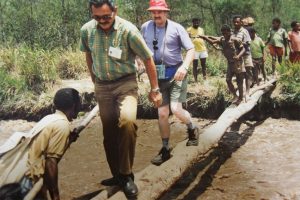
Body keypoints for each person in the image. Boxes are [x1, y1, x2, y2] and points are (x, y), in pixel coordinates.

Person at [80, 0, 162, 197]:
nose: (102, 21)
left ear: (115, 11)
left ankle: (126, 175)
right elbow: (88, 54)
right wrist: (94, 79)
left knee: (127, 122)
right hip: (102, 86)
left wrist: (155, 89)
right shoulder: (87, 30)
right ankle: (116, 174)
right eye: (97, 17)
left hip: (125, 84)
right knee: (109, 133)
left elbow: (148, 58)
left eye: (106, 16)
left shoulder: (128, 31)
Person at [141, 0, 198, 166]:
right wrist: (138, 61)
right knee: (163, 113)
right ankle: (165, 148)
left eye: (160, 11)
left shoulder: (177, 28)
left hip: (176, 74)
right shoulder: (145, 27)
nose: (156, 15)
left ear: (166, 12)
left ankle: (192, 127)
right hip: (157, 77)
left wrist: (185, 67)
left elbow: (191, 49)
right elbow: (139, 48)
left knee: (175, 109)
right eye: (154, 12)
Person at [0, 88, 82, 200]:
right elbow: (50, 162)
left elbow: (42, 149)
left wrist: (68, 139)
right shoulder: (62, 125)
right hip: (26, 179)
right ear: (73, 106)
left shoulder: (50, 118)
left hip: (22, 172)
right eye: (79, 104)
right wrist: (55, 196)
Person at [200, 25, 245, 105]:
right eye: (222, 33)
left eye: (225, 32)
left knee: (239, 81)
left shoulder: (235, 39)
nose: (224, 34)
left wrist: (238, 56)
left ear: (229, 32)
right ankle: (235, 95)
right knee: (228, 80)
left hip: (237, 63)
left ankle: (240, 98)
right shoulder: (222, 39)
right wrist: (204, 37)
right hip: (230, 63)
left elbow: (243, 49)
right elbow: (213, 42)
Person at [232, 15, 254, 100]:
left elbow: (248, 43)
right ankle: (240, 94)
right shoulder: (233, 32)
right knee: (240, 75)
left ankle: (247, 92)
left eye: (237, 22)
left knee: (248, 73)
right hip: (237, 56)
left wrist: (239, 42)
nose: (236, 23)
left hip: (246, 54)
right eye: (234, 22)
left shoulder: (244, 31)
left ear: (241, 22)